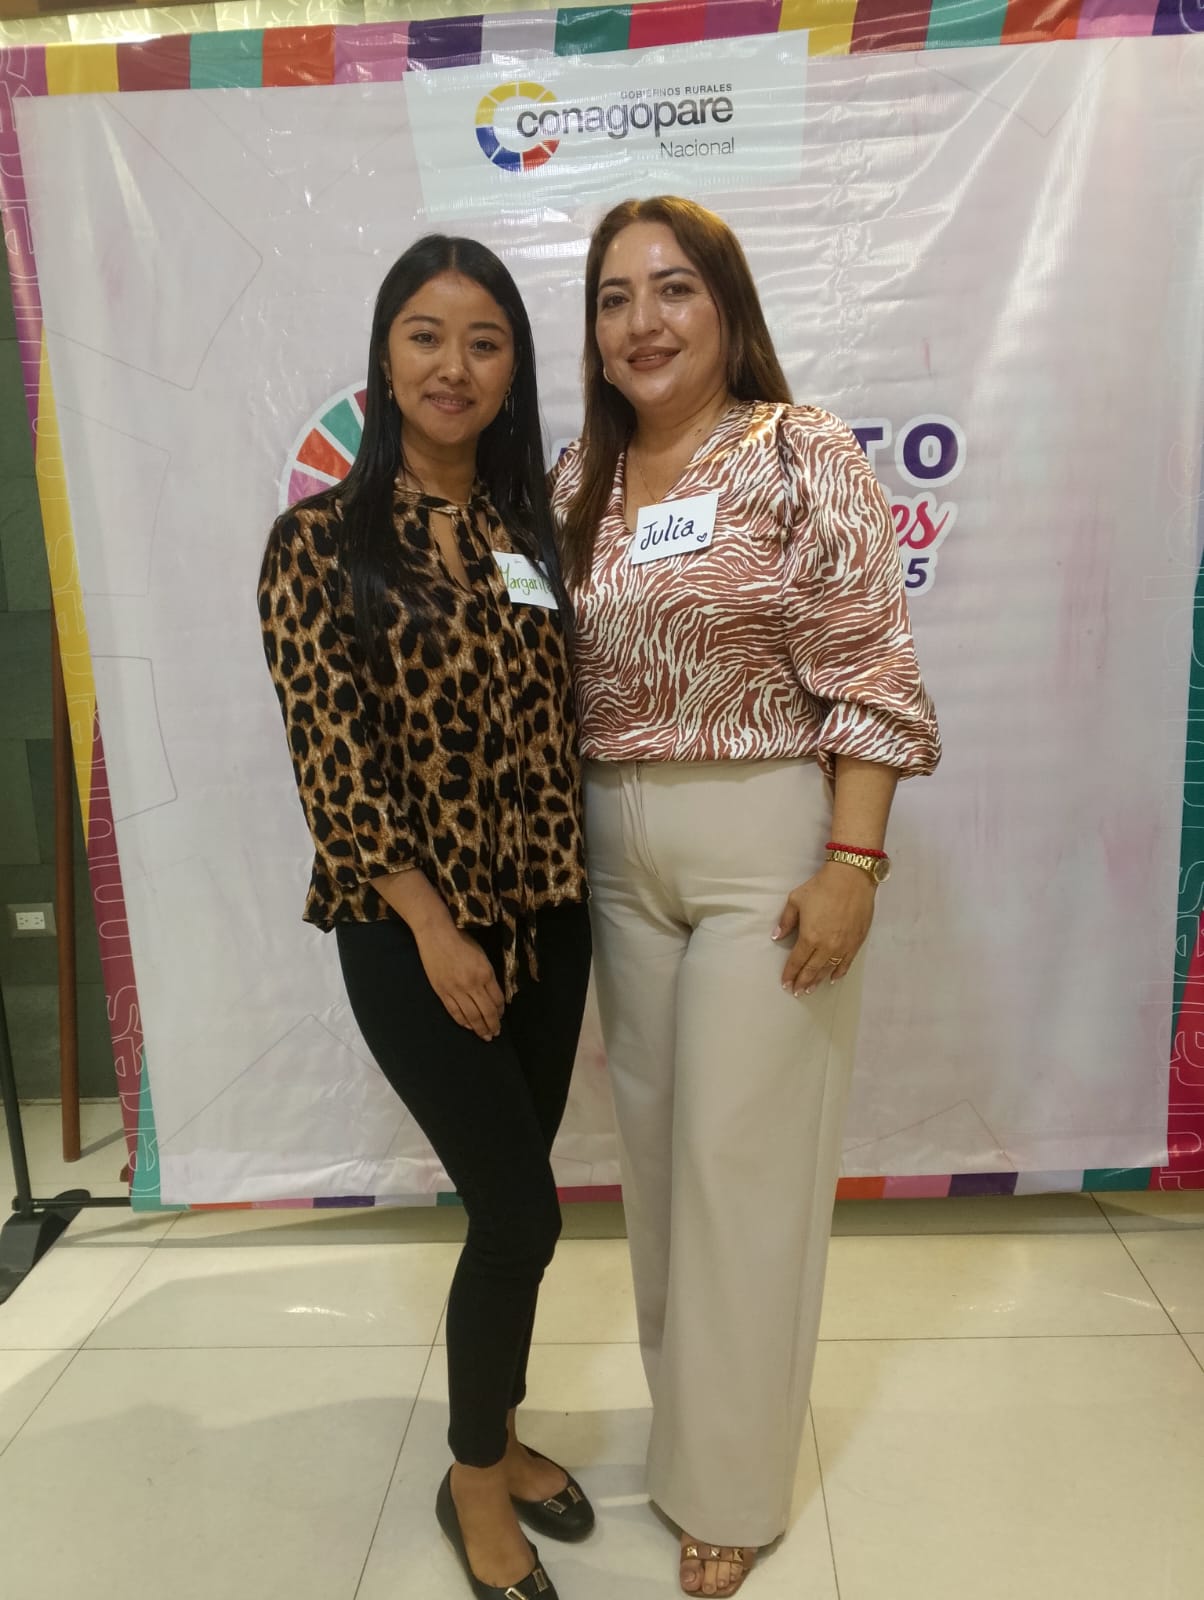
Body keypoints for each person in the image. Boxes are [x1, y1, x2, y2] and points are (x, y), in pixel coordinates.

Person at [550, 196, 940, 1597]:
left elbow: (871, 670)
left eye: (673, 289)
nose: (642, 322)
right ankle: (691, 1435)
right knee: (661, 1169)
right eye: (614, 298)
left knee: (745, 1168)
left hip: (763, 834)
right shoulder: (576, 478)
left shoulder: (797, 450)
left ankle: (733, 1488)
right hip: (613, 847)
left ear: (726, 305)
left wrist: (853, 862)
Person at [259, 235, 594, 1600]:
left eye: (485, 340)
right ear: (385, 356)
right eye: (425, 334)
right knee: (521, 1217)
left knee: (518, 1210)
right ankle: (473, 1483)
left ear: (513, 370)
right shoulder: (319, 544)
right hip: (411, 931)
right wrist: (434, 928)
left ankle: (497, 1435)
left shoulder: (532, 536)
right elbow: (330, 760)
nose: (454, 364)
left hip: (550, 918)